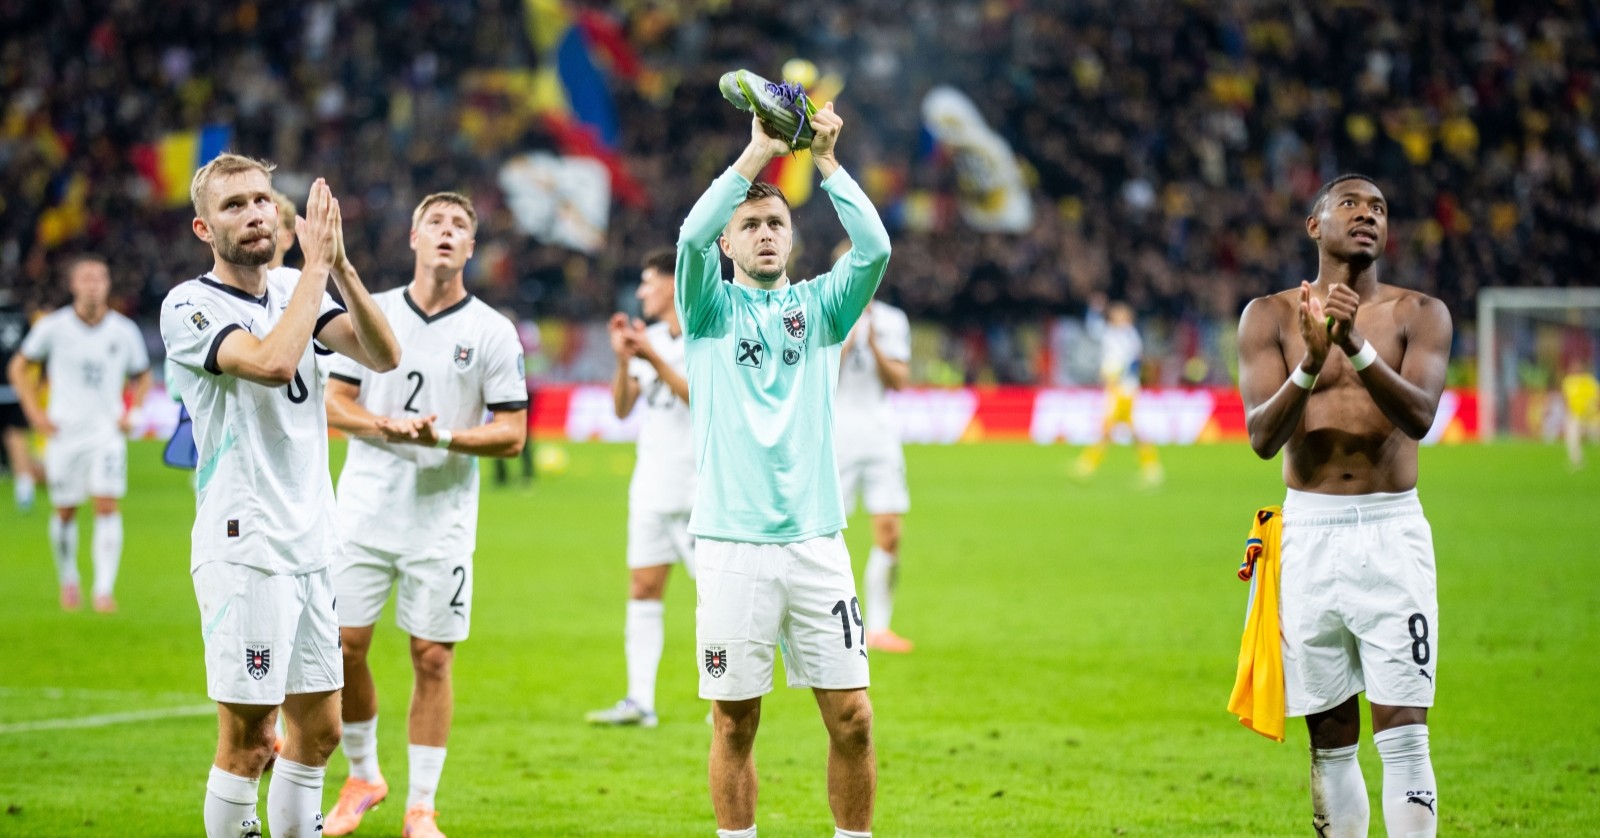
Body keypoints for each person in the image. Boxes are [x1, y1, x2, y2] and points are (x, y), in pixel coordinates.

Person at [159, 154, 400, 838]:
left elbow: (384, 356)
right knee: (250, 741)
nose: (255, 213)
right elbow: (272, 364)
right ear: (205, 228)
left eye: (262, 199)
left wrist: (343, 267)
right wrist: (318, 272)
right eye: (234, 205)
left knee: (319, 734)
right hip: (247, 547)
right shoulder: (190, 303)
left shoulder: (299, 284)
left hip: (312, 543)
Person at [677, 103, 890, 838]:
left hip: (816, 543)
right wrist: (755, 155)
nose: (765, 235)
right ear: (730, 244)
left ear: (792, 240)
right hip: (733, 546)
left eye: (776, 225)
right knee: (735, 723)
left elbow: (875, 250)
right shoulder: (706, 309)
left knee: (855, 719)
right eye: (751, 226)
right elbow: (688, 234)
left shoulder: (822, 308)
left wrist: (827, 161)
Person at [1236, 173, 1451, 838]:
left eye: (1380, 208)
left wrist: (1352, 345)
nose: (1368, 215)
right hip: (1310, 536)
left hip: (1392, 534)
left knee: (1404, 728)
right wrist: (1311, 362)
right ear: (1314, 225)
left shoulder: (1422, 313)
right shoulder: (1268, 316)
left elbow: (1418, 417)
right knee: (1328, 732)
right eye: (1351, 204)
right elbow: (1262, 439)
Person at [321, 192, 528, 838]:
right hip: (363, 509)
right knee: (343, 647)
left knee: (432, 657)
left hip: (441, 518)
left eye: (460, 226)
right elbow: (333, 402)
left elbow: (514, 433)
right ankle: (363, 775)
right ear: (413, 238)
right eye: (435, 223)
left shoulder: (492, 331)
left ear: (471, 249)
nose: (447, 232)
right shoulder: (373, 311)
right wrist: (384, 426)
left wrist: (438, 439)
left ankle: (421, 809)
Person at [586, 247, 696, 728]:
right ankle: (640, 701)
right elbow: (622, 408)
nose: (641, 292)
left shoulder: (705, 332)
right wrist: (622, 360)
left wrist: (651, 355)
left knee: (717, 596)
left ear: (673, 283)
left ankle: (728, 696)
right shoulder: (648, 338)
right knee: (644, 587)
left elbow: (700, 397)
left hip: (699, 488)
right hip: (652, 484)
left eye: (648, 281)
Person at [8, 256, 151, 612]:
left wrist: (132, 410)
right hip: (65, 432)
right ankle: (69, 580)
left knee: (106, 505)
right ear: (73, 285)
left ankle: (103, 590)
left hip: (106, 433)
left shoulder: (124, 330)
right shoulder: (53, 328)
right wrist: (34, 414)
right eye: (85, 278)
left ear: (107, 285)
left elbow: (143, 375)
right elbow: (18, 368)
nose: (93, 284)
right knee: (66, 510)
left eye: (99, 278)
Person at [833, 272, 915, 653]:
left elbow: (900, 380)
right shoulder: (827, 313)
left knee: (889, 531)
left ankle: (879, 628)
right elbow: (815, 376)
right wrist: (848, 339)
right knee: (828, 534)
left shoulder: (892, 320)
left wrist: (875, 345)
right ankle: (830, 622)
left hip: (881, 436)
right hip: (836, 438)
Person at [1073, 299, 1163, 486]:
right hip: (1115, 388)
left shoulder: (1129, 337)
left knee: (1113, 428)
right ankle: (1150, 467)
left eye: (1120, 313)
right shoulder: (1112, 333)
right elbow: (1093, 330)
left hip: (1124, 389)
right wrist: (1094, 309)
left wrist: (1114, 375)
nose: (1115, 315)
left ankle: (1088, 464)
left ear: (1127, 317)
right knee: (1118, 429)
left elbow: (1132, 363)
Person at [0, 288, 44, 513]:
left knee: (15, 441)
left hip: (10, 386)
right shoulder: (21, 316)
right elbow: (32, 352)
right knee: (17, 440)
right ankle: (24, 491)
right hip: (15, 389)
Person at [1560, 358, 1598, 469]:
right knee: (1572, 438)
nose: (1576, 369)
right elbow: (1566, 398)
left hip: (1590, 416)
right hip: (1575, 415)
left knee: (1596, 437)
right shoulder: (1568, 381)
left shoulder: (1589, 381)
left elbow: (1596, 396)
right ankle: (1577, 461)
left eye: (1578, 367)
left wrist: (1593, 408)